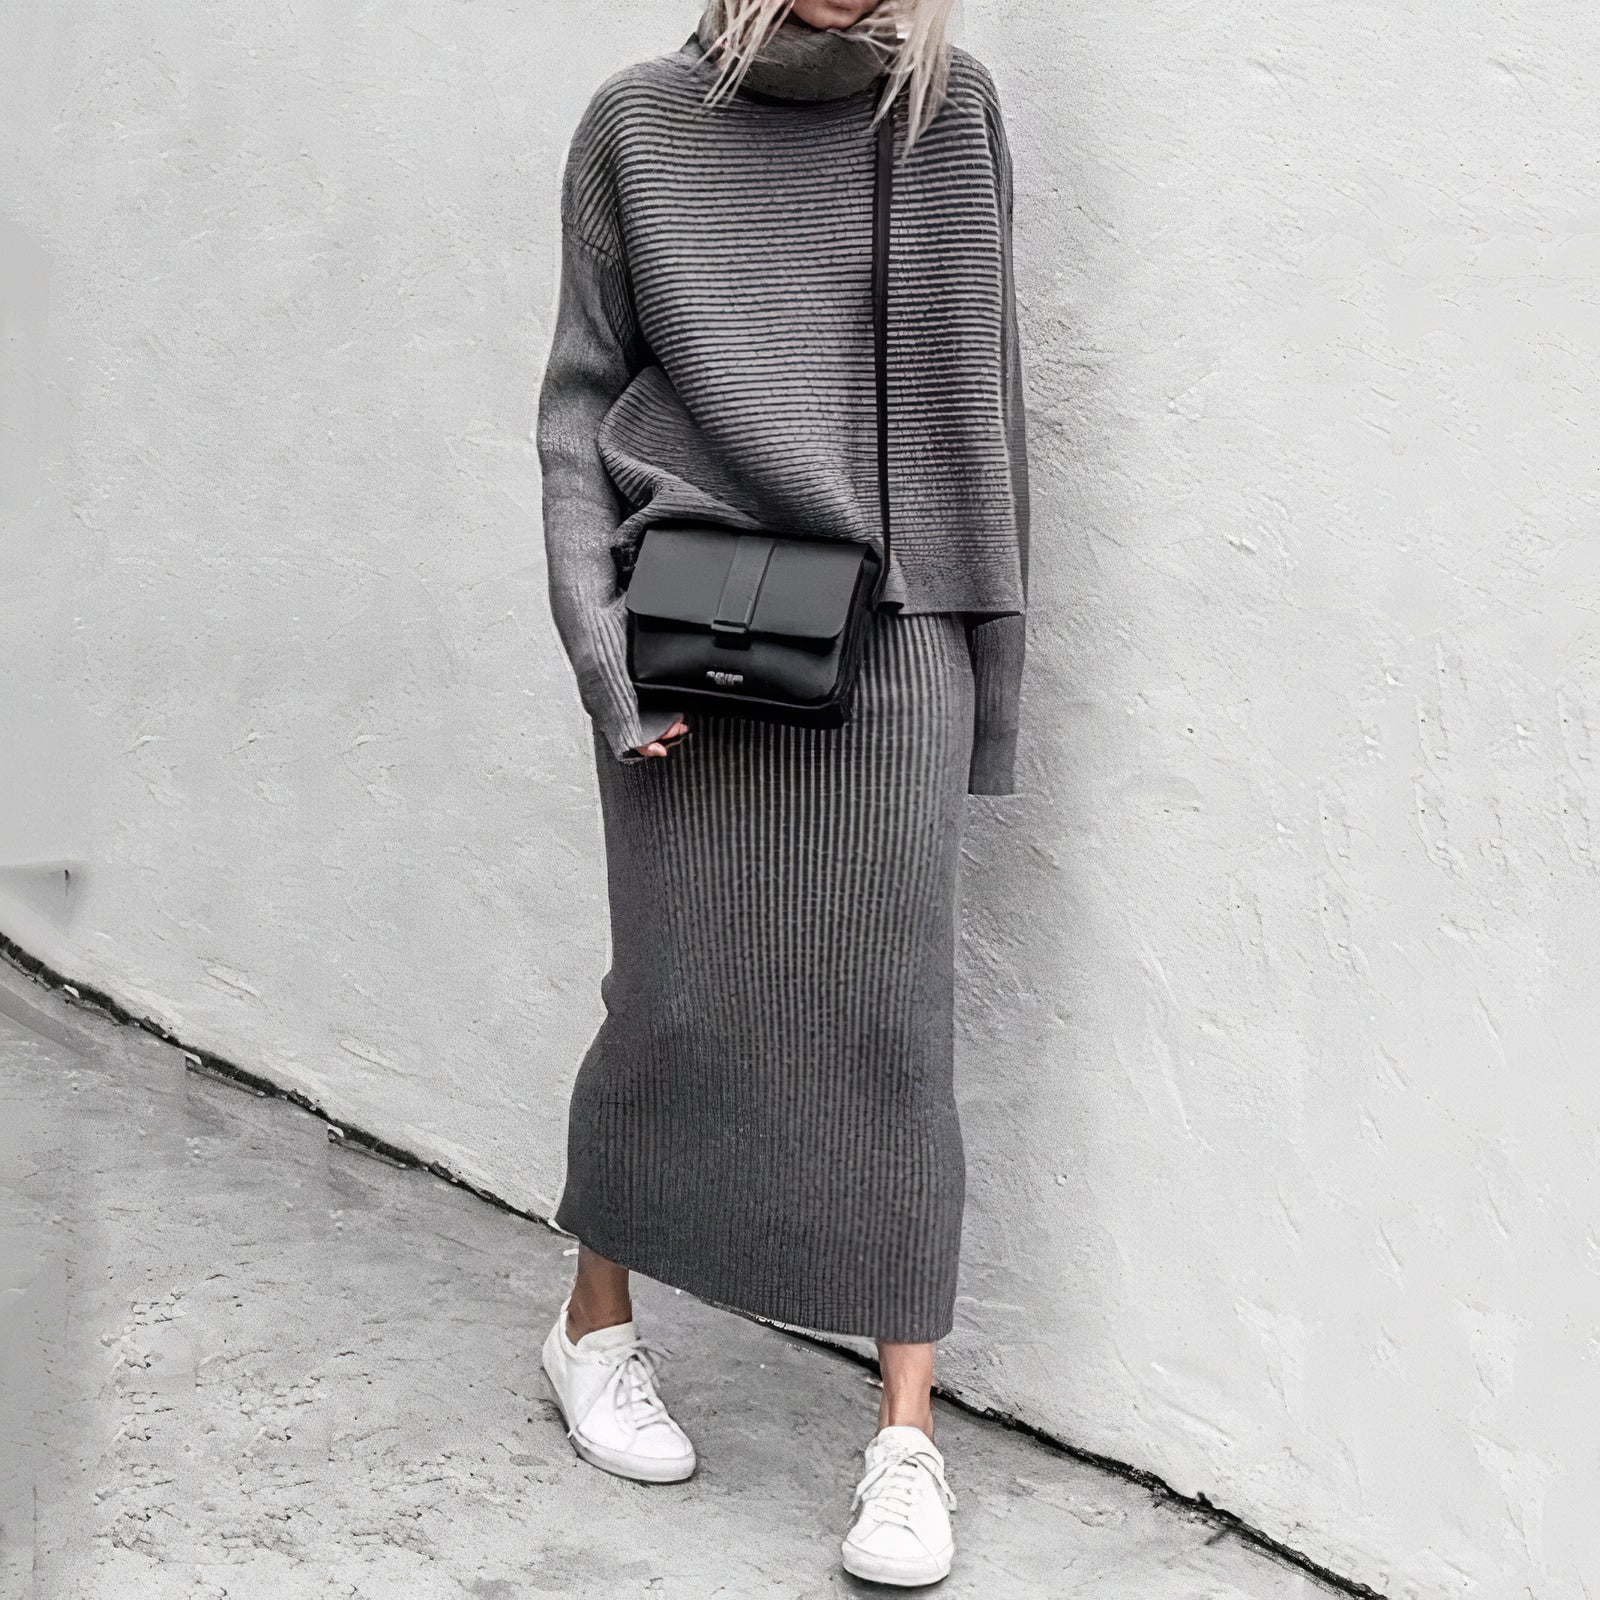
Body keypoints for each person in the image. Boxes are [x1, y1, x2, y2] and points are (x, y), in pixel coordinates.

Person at [533, 0, 1029, 1584]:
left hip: (897, 634)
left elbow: (983, 407)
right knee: (671, 1006)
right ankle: (592, 1326)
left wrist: (988, 680)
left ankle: (906, 1437)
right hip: (690, 635)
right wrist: (603, 654)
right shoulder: (635, 123)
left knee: (894, 1032)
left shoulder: (946, 114)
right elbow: (576, 408)